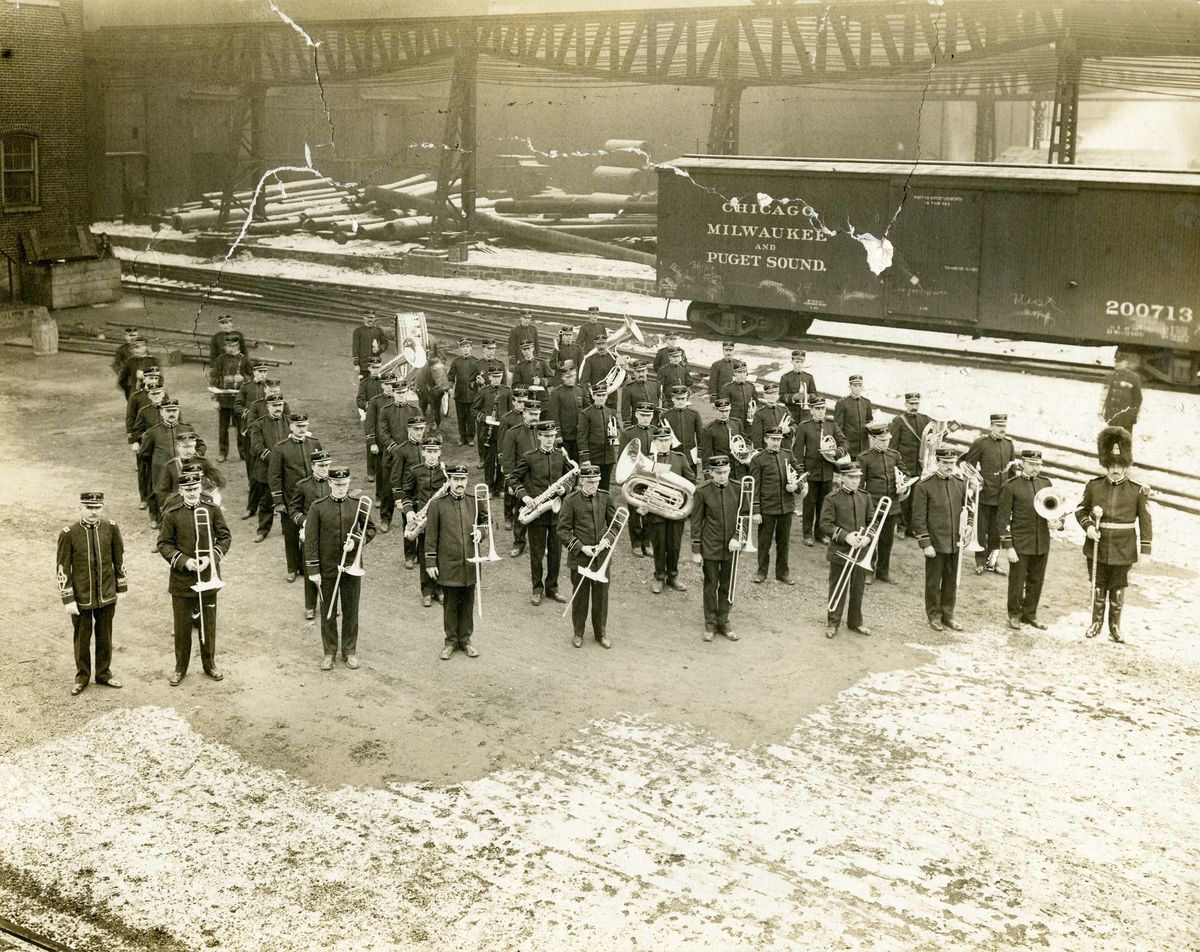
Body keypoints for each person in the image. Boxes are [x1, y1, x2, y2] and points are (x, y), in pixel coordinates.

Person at [1075, 426, 1152, 644]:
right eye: (1112, 466)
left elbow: (1146, 521)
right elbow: (1080, 510)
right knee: (1098, 583)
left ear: (1126, 466)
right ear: (1106, 465)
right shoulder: (1094, 486)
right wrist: (1089, 527)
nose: (1116, 470)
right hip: (1098, 546)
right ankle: (1096, 623)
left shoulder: (1137, 490)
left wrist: (1145, 550)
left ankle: (1115, 628)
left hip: (1123, 547)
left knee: (1118, 586)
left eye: (1120, 466)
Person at [157, 472, 231, 686]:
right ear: (181, 491)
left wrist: (212, 558)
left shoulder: (212, 510)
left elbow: (225, 536)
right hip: (182, 579)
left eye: (195, 488)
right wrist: (184, 561)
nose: (191, 492)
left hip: (209, 577)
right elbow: (164, 544)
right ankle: (180, 668)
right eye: (187, 490)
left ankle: (210, 665)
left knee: (208, 625)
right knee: (182, 627)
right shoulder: (172, 513)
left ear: (200, 488)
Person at [305, 466, 377, 670]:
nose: (340, 489)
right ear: (329, 483)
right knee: (328, 612)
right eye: (337, 485)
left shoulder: (357, 505)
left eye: (344, 485)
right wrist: (313, 570)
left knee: (351, 611)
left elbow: (370, 529)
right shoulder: (318, 507)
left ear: (349, 483)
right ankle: (329, 652)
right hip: (327, 569)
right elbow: (311, 541)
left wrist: (357, 542)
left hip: (351, 568)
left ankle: (349, 651)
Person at [57, 491, 127, 696]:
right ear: (81, 508)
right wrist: (68, 598)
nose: (93, 512)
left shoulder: (111, 528)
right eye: (89, 507)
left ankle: (104, 674)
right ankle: (82, 677)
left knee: (105, 636)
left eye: (97, 508)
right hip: (81, 597)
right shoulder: (69, 533)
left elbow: (119, 558)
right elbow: (62, 568)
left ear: (102, 508)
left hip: (106, 593)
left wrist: (121, 586)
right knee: (82, 638)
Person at [426, 464, 484, 660]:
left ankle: (466, 640)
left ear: (467, 480)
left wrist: (480, 532)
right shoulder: (437, 504)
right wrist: (431, 563)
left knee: (467, 602)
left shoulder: (474, 501)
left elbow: (486, 522)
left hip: (470, 561)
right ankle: (450, 641)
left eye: (463, 479)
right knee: (450, 604)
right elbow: (431, 535)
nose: (460, 483)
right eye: (456, 480)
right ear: (449, 481)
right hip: (448, 563)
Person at [559, 463, 618, 648]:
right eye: (590, 482)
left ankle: (600, 633)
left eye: (596, 481)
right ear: (582, 481)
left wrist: (607, 540)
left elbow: (615, 524)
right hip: (581, 557)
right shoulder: (570, 500)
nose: (593, 485)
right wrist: (581, 548)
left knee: (601, 598)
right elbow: (562, 530)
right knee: (580, 597)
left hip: (601, 557)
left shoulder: (605, 497)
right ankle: (578, 633)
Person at [513, 421, 571, 605]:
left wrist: (565, 489)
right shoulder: (529, 457)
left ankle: (552, 588)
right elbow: (513, 479)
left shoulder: (561, 456)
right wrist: (524, 497)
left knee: (556, 553)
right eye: (546, 436)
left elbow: (572, 477)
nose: (549, 440)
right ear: (539, 436)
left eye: (552, 436)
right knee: (537, 554)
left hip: (556, 512)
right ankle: (537, 589)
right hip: (537, 511)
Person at [911, 446, 967, 632]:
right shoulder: (924, 485)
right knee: (934, 582)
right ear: (937, 463)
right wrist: (925, 543)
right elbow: (918, 518)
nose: (950, 466)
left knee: (951, 581)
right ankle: (934, 615)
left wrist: (968, 528)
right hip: (935, 543)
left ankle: (948, 615)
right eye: (946, 463)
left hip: (955, 542)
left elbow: (969, 509)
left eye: (952, 463)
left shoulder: (960, 483)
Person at [997, 449, 1053, 630]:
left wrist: (1058, 522)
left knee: (1036, 580)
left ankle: (1030, 614)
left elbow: (1053, 509)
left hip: (1041, 542)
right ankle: (1014, 614)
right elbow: (1002, 519)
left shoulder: (1046, 483)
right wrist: (1008, 546)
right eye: (1032, 464)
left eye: (1038, 465)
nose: (1036, 468)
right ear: (1023, 463)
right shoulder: (1011, 486)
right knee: (1017, 580)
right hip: (1020, 542)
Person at [691, 455, 743, 642]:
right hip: (710, 545)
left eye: (726, 472)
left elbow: (743, 516)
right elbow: (696, 522)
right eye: (718, 473)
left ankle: (724, 620)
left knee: (727, 586)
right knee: (710, 585)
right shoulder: (702, 491)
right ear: (711, 472)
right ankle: (710, 623)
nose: (722, 476)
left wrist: (738, 537)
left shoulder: (738, 488)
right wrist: (696, 551)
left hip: (732, 547)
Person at [820, 463, 874, 639]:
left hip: (860, 552)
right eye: (851, 477)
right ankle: (832, 622)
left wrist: (868, 537)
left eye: (857, 477)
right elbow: (825, 524)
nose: (855, 481)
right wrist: (846, 536)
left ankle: (855, 622)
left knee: (858, 589)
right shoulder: (832, 498)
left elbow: (872, 522)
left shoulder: (865, 497)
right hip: (840, 551)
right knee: (838, 587)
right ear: (842, 477)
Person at [269, 413, 324, 583]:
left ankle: (307, 565)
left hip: (312, 499)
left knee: (313, 534)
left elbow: (321, 468)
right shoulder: (280, 448)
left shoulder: (314, 443)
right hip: (290, 500)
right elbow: (275, 476)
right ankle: (292, 568)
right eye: (298, 426)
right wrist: (278, 501)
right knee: (292, 535)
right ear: (291, 426)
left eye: (304, 426)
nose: (302, 429)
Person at [958, 412, 1016, 575]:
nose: (1002, 429)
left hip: (1002, 496)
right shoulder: (981, 443)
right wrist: (974, 483)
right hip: (984, 494)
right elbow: (967, 466)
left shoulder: (1009, 445)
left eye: (1004, 426)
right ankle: (980, 562)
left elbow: (1011, 470)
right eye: (999, 426)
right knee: (982, 530)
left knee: (997, 531)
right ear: (991, 426)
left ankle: (993, 562)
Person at [640, 425, 694, 594]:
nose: (663, 444)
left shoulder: (680, 458)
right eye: (660, 441)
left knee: (674, 545)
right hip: (656, 511)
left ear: (671, 441)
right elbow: (640, 484)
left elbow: (691, 482)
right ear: (655, 442)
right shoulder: (649, 461)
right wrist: (644, 500)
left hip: (676, 510)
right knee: (659, 544)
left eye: (666, 440)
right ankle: (659, 576)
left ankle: (673, 576)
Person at [401, 436, 449, 608]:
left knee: (442, 554)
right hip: (422, 520)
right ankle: (427, 591)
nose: (432, 455)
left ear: (440, 452)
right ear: (423, 452)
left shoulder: (446, 473)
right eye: (429, 451)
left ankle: (440, 589)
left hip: (442, 518)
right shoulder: (415, 471)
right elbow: (406, 495)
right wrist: (409, 512)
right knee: (424, 554)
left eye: (435, 452)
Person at [749, 426, 800, 585]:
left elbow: (799, 473)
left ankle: (782, 573)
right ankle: (761, 572)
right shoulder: (758, 459)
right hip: (767, 508)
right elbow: (754, 487)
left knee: (783, 542)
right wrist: (756, 510)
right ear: (766, 439)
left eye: (778, 439)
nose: (776, 443)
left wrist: (796, 485)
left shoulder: (788, 454)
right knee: (764, 542)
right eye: (773, 439)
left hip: (786, 507)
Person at [794, 396, 847, 545]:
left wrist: (836, 452)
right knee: (809, 505)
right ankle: (807, 534)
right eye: (817, 409)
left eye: (823, 408)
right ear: (811, 410)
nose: (820, 411)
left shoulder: (831, 424)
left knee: (824, 505)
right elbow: (797, 452)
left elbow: (844, 442)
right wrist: (801, 473)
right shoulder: (804, 426)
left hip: (827, 472)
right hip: (811, 472)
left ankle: (820, 533)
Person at [856, 419, 902, 584]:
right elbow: (860, 485)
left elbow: (906, 474)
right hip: (873, 505)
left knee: (887, 541)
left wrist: (904, 484)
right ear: (873, 439)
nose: (885, 442)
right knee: (871, 539)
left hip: (891, 506)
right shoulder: (864, 458)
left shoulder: (894, 455)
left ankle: (883, 572)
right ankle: (868, 570)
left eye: (887, 439)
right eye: (882, 440)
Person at [289, 449, 332, 621]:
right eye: (321, 466)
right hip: (311, 536)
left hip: (330, 535)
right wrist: (305, 521)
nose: (324, 469)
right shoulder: (303, 485)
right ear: (313, 466)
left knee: (329, 571)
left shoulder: (333, 483)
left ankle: (328, 603)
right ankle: (310, 606)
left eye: (327, 466)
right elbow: (294, 509)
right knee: (310, 571)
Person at [888, 391, 933, 536]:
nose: (914, 406)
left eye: (916, 403)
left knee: (917, 499)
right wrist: (895, 467)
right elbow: (893, 446)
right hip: (904, 465)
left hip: (919, 466)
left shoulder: (925, 419)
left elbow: (932, 437)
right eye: (911, 403)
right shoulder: (898, 421)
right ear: (905, 404)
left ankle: (912, 528)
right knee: (904, 498)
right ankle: (901, 527)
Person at [247, 391, 289, 542]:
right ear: (268, 406)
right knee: (266, 501)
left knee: (289, 498)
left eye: (280, 405)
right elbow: (257, 447)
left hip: (287, 470)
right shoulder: (259, 424)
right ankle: (263, 530)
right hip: (266, 469)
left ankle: (288, 527)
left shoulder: (290, 422)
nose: (278, 408)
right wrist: (275, 460)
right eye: (274, 405)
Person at [500, 399, 541, 553]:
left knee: (540, 513)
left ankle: (539, 544)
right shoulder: (513, 433)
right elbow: (508, 460)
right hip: (522, 481)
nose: (534, 417)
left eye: (537, 414)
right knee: (521, 512)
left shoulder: (543, 432)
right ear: (524, 413)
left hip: (540, 479)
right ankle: (518, 542)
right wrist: (511, 483)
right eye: (531, 414)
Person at [208, 333, 254, 462]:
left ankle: (243, 453)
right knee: (223, 428)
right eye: (226, 346)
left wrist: (243, 378)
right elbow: (213, 380)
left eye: (231, 346)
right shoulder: (220, 360)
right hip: (224, 400)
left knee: (241, 427)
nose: (227, 348)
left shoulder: (244, 360)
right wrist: (214, 399)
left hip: (239, 400)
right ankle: (222, 452)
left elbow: (253, 377)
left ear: (237, 346)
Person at [153, 429, 226, 508]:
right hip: (179, 506)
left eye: (191, 447)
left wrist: (205, 483)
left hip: (201, 503)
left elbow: (221, 481)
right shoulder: (170, 466)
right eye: (184, 447)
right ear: (178, 447)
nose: (188, 451)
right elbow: (163, 492)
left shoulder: (203, 462)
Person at [620, 402, 657, 557]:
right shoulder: (628, 433)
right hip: (634, 477)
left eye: (648, 416)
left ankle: (647, 542)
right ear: (636, 415)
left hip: (652, 477)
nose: (645, 418)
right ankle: (636, 543)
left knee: (650, 509)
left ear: (652, 416)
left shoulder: (656, 432)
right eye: (642, 415)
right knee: (635, 512)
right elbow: (623, 457)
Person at [388, 416, 427, 564]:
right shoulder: (400, 450)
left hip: (424, 494)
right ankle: (409, 556)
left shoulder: (427, 448)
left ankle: (422, 555)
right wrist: (399, 499)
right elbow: (395, 476)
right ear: (409, 429)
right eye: (416, 429)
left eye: (421, 429)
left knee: (424, 525)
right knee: (409, 525)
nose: (419, 432)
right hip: (407, 495)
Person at [577, 383, 621, 490]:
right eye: (598, 395)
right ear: (593, 396)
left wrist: (616, 433)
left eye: (603, 395)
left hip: (608, 457)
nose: (601, 398)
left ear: (606, 396)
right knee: (592, 486)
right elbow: (582, 437)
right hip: (594, 457)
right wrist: (585, 458)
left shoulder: (611, 412)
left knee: (605, 487)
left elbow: (619, 430)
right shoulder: (586, 413)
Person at [473, 366, 511, 476]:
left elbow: (511, 410)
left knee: (502, 460)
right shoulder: (483, 392)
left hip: (502, 431)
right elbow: (474, 410)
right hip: (488, 431)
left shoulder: (507, 391)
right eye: (494, 377)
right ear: (489, 377)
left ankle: (499, 488)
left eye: (499, 377)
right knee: (489, 461)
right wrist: (485, 418)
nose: (496, 379)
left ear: (502, 376)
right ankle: (489, 487)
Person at [235, 362, 271, 480]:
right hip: (250, 428)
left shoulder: (270, 387)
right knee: (251, 456)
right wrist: (247, 413)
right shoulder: (246, 386)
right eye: (260, 371)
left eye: (265, 371)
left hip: (267, 427)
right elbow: (237, 405)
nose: (262, 374)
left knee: (267, 453)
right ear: (254, 372)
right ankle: (252, 482)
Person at [545, 360, 584, 462]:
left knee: (577, 463)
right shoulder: (556, 393)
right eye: (567, 377)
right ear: (562, 377)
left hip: (579, 435)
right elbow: (554, 415)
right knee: (565, 463)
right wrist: (558, 434)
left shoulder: (580, 390)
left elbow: (585, 412)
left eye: (573, 377)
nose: (571, 379)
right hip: (565, 436)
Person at [355, 357, 386, 478]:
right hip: (372, 417)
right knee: (371, 443)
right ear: (368, 368)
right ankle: (371, 472)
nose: (376, 370)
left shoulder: (385, 382)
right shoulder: (364, 384)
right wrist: (368, 406)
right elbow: (359, 401)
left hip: (385, 416)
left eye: (378, 367)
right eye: (373, 368)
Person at [699, 397, 746, 472]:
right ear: (715, 410)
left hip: (740, 467)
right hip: (721, 468)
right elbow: (706, 456)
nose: (724, 414)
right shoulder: (709, 429)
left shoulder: (737, 423)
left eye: (727, 411)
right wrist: (708, 475)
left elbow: (745, 442)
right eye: (721, 411)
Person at [1101, 353, 1143, 435]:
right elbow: (1105, 395)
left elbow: (1138, 399)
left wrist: (1132, 414)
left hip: (1126, 418)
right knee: (1111, 440)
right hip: (1112, 415)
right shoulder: (1110, 376)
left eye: (1120, 362)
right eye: (1116, 362)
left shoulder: (1133, 378)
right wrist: (1102, 411)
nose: (1117, 364)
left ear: (1126, 363)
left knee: (1124, 440)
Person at [578, 330, 620, 410]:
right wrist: (588, 398)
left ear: (607, 344)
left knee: (612, 420)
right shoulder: (589, 360)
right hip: (596, 399)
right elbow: (583, 382)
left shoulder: (614, 358)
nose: (601, 346)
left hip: (611, 399)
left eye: (603, 343)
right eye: (599, 344)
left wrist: (623, 366)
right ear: (595, 345)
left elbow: (622, 378)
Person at [661, 386, 703, 467]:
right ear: (673, 398)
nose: (680, 402)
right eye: (677, 399)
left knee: (691, 478)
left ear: (686, 398)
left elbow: (700, 436)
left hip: (690, 456)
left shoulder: (694, 414)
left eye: (683, 398)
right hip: (672, 456)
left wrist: (699, 455)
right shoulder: (665, 416)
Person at [834, 374, 874, 458]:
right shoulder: (842, 403)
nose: (857, 388)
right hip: (849, 447)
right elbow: (838, 427)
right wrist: (841, 446)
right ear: (850, 386)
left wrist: (872, 428)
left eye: (859, 385)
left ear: (862, 387)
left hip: (864, 448)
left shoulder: (866, 402)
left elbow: (869, 421)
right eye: (855, 385)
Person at [447, 338, 478, 446]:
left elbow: (479, 378)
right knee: (461, 417)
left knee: (470, 417)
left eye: (467, 346)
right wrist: (450, 387)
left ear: (471, 348)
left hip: (472, 394)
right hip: (459, 394)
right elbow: (450, 376)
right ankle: (462, 436)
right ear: (460, 348)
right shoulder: (456, 362)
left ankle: (470, 438)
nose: (465, 349)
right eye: (463, 347)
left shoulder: (476, 361)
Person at [779, 350, 818, 428]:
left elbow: (814, 394)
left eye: (801, 362)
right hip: (791, 412)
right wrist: (793, 397)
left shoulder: (809, 377)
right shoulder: (785, 377)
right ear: (792, 362)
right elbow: (781, 397)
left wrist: (807, 396)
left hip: (806, 413)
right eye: (797, 362)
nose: (799, 364)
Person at [749, 382, 790, 448]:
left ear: (778, 395)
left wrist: (789, 429)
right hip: (768, 449)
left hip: (784, 448)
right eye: (769, 394)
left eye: (774, 393)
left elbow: (794, 425)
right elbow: (757, 436)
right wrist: (759, 451)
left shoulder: (784, 410)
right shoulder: (759, 413)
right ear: (764, 396)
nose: (772, 396)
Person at [620, 360, 660, 425]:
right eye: (638, 372)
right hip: (638, 423)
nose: (641, 374)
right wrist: (627, 424)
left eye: (643, 371)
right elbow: (625, 410)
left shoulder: (655, 384)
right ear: (634, 372)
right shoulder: (628, 388)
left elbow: (663, 401)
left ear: (647, 371)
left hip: (655, 422)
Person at [720, 361, 757, 431]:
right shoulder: (727, 388)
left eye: (744, 372)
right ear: (735, 373)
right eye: (739, 372)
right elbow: (723, 407)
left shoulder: (751, 386)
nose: (742, 375)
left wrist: (753, 410)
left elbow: (756, 402)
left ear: (746, 373)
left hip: (748, 421)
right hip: (734, 421)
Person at [351, 310, 389, 378]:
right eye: (368, 317)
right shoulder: (358, 331)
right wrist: (356, 364)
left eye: (372, 318)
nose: (370, 320)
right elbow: (355, 348)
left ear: (374, 318)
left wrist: (379, 349)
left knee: (375, 385)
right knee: (364, 385)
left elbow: (385, 343)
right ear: (364, 318)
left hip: (375, 364)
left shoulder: (378, 331)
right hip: (363, 365)